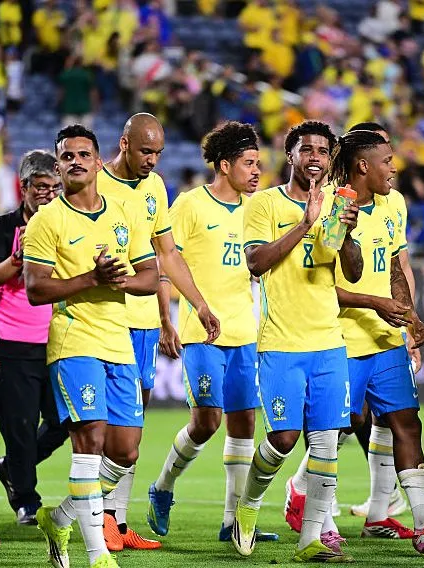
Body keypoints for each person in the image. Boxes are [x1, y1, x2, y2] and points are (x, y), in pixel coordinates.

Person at [230, 120, 363, 563]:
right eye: (306, 150)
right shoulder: (265, 203)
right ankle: (247, 505)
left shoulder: (340, 203)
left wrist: (347, 233)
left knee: (326, 443)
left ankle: (310, 540)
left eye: (323, 152)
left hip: (328, 340)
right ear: (291, 156)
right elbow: (254, 262)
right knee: (284, 439)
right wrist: (305, 223)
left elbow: (354, 270)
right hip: (281, 342)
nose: (315, 158)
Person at [27, 124, 159, 568]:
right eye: (67, 156)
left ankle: (61, 517)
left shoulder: (124, 213)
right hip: (73, 340)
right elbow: (35, 289)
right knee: (91, 440)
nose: (76, 162)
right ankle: (98, 555)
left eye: (84, 154)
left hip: (118, 339)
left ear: (98, 160)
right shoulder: (47, 220)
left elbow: (149, 274)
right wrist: (91, 279)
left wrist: (119, 279)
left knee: (125, 450)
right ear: (58, 164)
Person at [327, 129, 424, 554]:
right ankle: (321, 522)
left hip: (385, 339)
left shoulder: (395, 203)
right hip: (342, 337)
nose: (394, 167)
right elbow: (319, 282)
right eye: (386, 160)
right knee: (333, 432)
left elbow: (393, 266)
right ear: (362, 166)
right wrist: (376, 304)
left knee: (407, 422)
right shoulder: (333, 205)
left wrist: (408, 317)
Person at [146, 121, 278, 542]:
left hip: (246, 331)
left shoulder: (257, 210)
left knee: (244, 425)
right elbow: (167, 261)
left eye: (259, 163)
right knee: (207, 421)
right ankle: (163, 485)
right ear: (224, 165)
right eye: (249, 163)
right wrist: (168, 318)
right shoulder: (190, 205)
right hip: (200, 332)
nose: (257, 172)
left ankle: (231, 522)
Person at [97, 113, 219, 552]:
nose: (152, 160)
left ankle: (118, 520)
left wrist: (195, 304)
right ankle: (94, 517)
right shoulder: (96, 183)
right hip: (106, 322)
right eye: (145, 151)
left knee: (134, 426)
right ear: (124, 142)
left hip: (145, 323)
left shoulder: (154, 189)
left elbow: (166, 253)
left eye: (158, 153)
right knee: (109, 431)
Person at [0, 149, 69, 526]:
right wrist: (17, 260)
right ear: (24, 188)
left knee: (63, 421)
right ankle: (26, 500)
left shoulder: (67, 224)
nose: (48, 194)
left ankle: (13, 467)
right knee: (19, 426)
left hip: (60, 338)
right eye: (40, 187)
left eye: (55, 187)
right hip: (15, 339)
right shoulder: (2, 229)